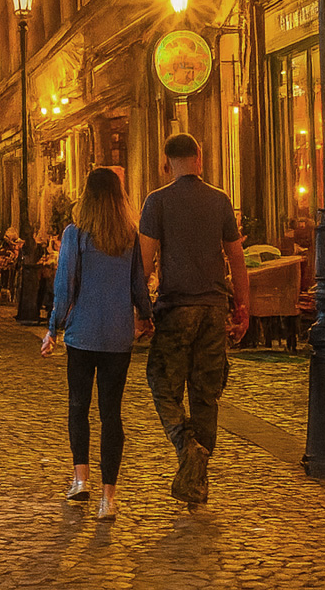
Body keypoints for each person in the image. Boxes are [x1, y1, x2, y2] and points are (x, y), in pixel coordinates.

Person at [139, 133, 250, 508]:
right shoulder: (220, 200)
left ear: (166, 165)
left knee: (161, 383)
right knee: (206, 395)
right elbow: (237, 259)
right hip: (213, 308)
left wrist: (141, 312)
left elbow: (145, 261)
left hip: (176, 307)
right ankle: (197, 481)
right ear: (199, 159)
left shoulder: (157, 202)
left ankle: (187, 446)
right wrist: (242, 308)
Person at [40, 168, 152, 522]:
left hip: (83, 335)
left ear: (86, 196)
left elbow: (65, 286)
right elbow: (139, 286)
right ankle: (109, 498)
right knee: (111, 414)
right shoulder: (129, 237)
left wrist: (52, 329)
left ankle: (80, 478)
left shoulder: (75, 235)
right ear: (120, 198)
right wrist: (147, 317)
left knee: (78, 406)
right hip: (118, 337)